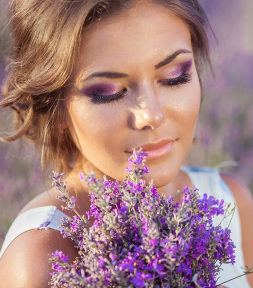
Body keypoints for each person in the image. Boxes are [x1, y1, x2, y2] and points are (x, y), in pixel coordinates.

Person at [0, 0, 252, 287]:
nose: (152, 115)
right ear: (54, 106)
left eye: (174, 77)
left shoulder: (231, 202)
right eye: (110, 93)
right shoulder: (41, 258)